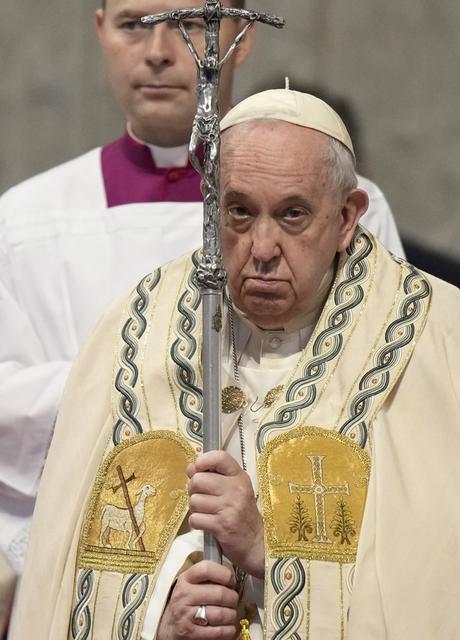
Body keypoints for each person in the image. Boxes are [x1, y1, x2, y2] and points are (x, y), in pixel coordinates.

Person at [12, 89, 460, 639]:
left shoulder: (441, 343)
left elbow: (456, 582)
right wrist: (162, 609)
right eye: (239, 212)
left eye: (293, 215)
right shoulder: (135, 335)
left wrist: (268, 552)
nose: (262, 248)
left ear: (347, 217)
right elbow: (73, 570)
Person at [0, 0, 404, 591]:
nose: (159, 51)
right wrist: (151, 380)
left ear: (239, 36)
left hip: (285, 553)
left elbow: (376, 375)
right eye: (135, 24)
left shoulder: (342, 202)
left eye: (189, 23)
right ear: (100, 31)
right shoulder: (24, 220)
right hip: (103, 552)